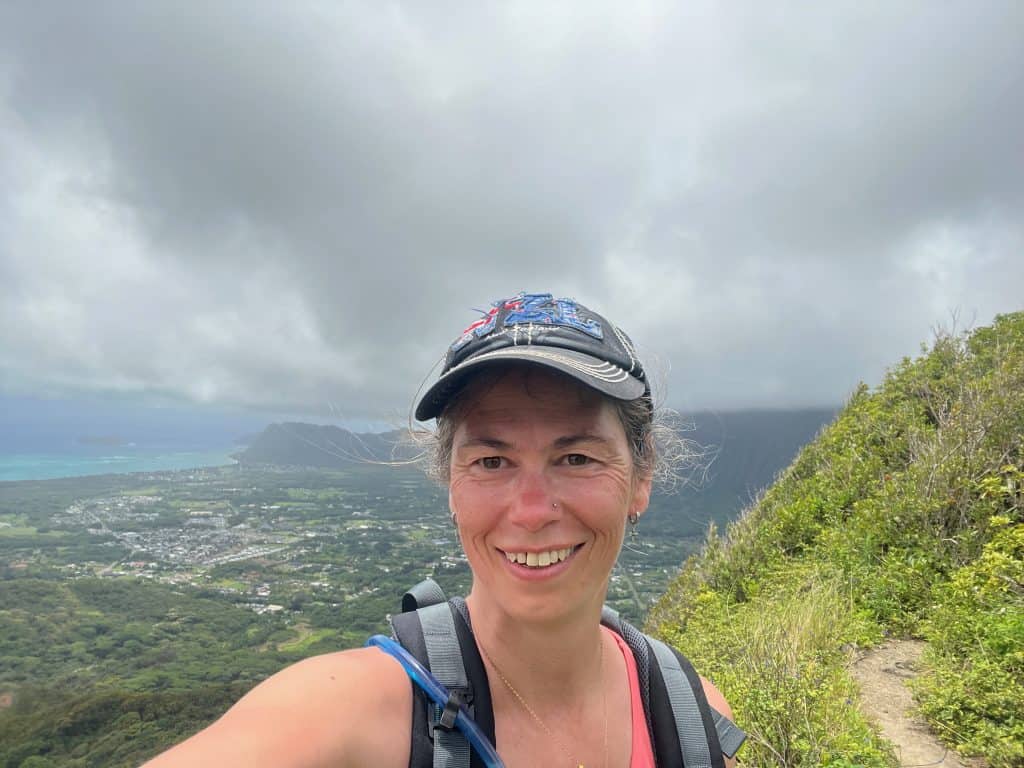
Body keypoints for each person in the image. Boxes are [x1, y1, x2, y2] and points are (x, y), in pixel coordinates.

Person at [145, 292, 737, 768]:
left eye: (576, 458)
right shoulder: (354, 713)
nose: (531, 511)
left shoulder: (689, 719)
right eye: (492, 461)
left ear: (641, 478)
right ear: (451, 486)